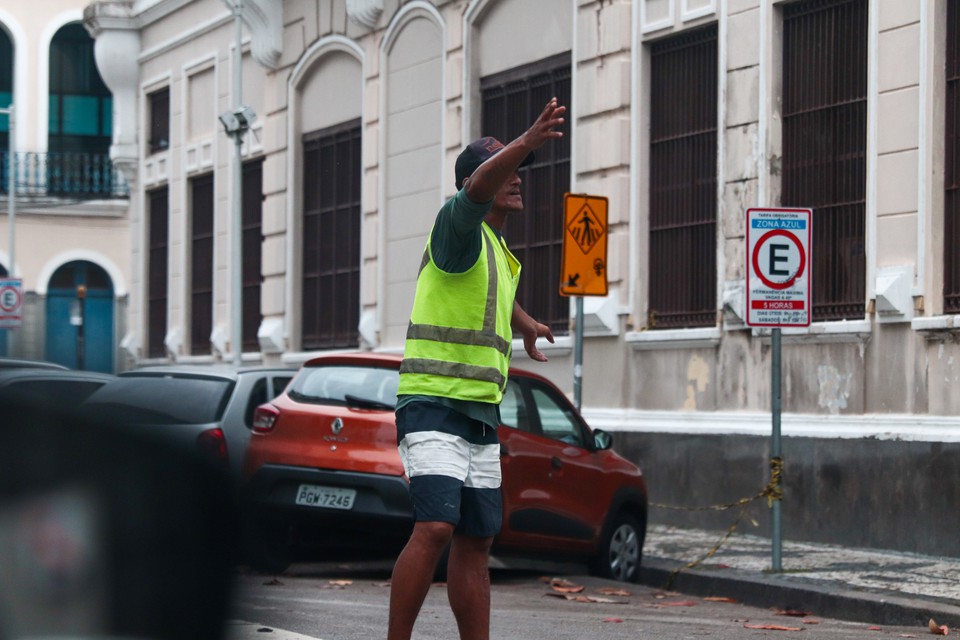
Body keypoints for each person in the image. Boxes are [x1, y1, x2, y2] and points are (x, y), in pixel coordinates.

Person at [387, 97, 566, 640]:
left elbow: (488, 296)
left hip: (480, 414)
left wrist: (527, 322)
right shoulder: (455, 226)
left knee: (477, 539)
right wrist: (526, 143)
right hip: (432, 403)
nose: (518, 180)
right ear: (476, 184)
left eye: (521, 171)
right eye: (508, 170)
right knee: (437, 526)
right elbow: (474, 198)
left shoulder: (495, 248)